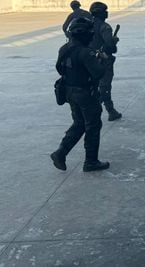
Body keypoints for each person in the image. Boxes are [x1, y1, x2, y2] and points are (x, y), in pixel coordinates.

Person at [51, 17, 110, 172]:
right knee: (93, 125)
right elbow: (98, 73)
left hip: (69, 91)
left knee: (79, 123)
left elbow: (59, 68)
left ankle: (60, 152)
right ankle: (91, 161)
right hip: (85, 94)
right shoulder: (86, 52)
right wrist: (103, 61)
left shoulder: (64, 49)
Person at [89, 1, 122, 121]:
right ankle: (109, 110)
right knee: (105, 86)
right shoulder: (105, 27)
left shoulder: (87, 25)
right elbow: (110, 47)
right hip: (103, 60)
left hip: (88, 60)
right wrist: (114, 41)